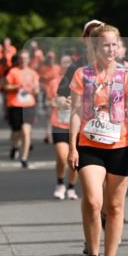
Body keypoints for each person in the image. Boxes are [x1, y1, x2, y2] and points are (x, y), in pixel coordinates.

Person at [69, 24, 128, 256]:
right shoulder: (83, 75)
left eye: (114, 45)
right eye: (105, 45)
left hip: (121, 145)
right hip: (90, 145)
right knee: (92, 200)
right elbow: (76, 112)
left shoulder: (127, 75)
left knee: (115, 206)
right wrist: (72, 147)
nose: (110, 50)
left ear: (119, 46)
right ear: (95, 48)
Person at [47, 53, 79, 199]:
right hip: (59, 123)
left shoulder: (80, 78)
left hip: (77, 126)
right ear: (60, 65)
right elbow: (50, 102)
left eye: (68, 62)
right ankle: (60, 183)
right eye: (63, 62)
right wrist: (59, 102)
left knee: (74, 159)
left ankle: (71, 187)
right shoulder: (55, 82)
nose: (66, 65)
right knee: (62, 156)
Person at [5, 50, 40, 168]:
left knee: (26, 132)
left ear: (29, 60)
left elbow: (37, 90)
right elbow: (6, 86)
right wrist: (16, 87)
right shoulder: (13, 72)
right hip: (15, 105)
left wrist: (36, 89)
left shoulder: (33, 73)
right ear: (19, 59)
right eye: (22, 58)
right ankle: (15, 146)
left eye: (26, 58)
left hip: (29, 106)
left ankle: (24, 158)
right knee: (16, 132)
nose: (24, 60)